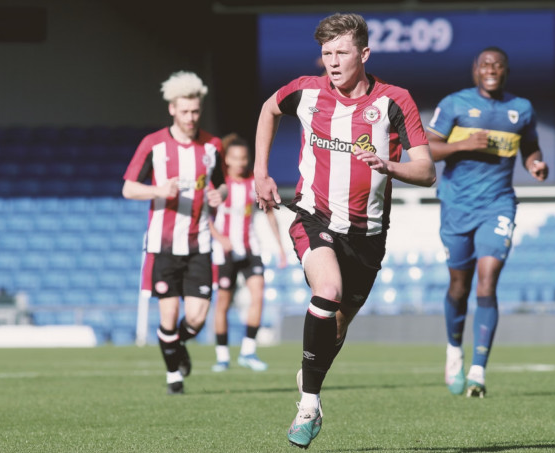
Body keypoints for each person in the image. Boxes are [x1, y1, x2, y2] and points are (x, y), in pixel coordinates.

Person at [254, 13, 436, 449]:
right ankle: (309, 406)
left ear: (364, 54)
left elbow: (427, 171)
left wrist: (390, 165)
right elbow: (267, 109)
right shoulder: (305, 91)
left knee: (335, 327)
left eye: (342, 52)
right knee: (328, 288)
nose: (332, 61)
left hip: (368, 234)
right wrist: (260, 173)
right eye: (326, 53)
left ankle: (310, 376)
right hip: (313, 215)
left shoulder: (395, 101)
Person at [425, 46, 549, 398]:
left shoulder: (521, 109)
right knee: (459, 287)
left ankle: (478, 371)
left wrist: (536, 164)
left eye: (498, 65)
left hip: (498, 204)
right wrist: (463, 144)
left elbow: (531, 148)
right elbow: (427, 150)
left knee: (487, 283)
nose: (491, 69)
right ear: (475, 70)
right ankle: (454, 351)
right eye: (485, 64)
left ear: (506, 71)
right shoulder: (454, 104)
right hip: (456, 206)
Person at [123, 71, 227, 395]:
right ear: (172, 109)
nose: (191, 118)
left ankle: (177, 346)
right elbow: (128, 189)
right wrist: (158, 189)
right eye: (184, 112)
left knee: (195, 318)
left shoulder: (212, 145)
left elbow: (222, 182)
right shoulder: (153, 144)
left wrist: (219, 195)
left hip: (199, 243)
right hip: (163, 244)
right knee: (168, 315)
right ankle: (173, 377)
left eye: (195, 111)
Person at [209, 133, 287, 373]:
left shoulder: (255, 183)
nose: (240, 162)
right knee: (222, 303)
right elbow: (205, 217)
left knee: (258, 295)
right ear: (228, 160)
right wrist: (220, 238)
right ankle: (222, 356)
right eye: (235, 158)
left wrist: (281, 248)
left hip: (251, 249)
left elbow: (270, 214)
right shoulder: (221, 185)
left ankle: (248, 352)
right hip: (225, 253)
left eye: (244, 158)